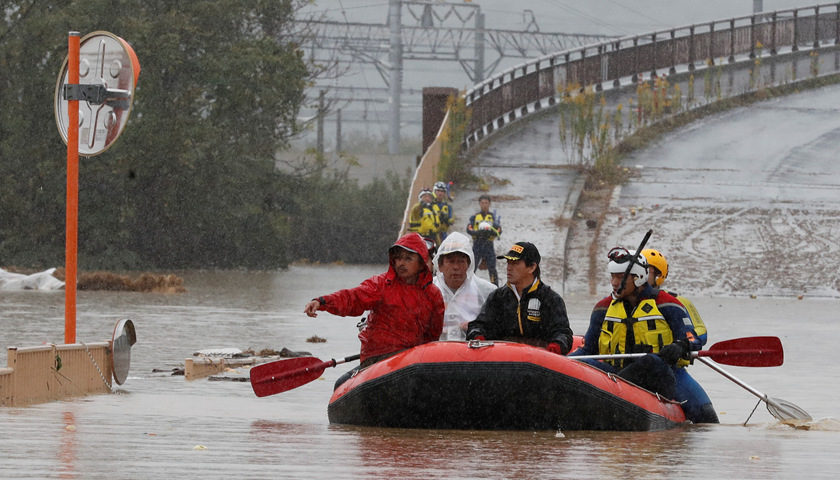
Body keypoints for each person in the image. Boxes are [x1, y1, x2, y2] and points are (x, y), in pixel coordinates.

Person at [304, 232, 445, 388]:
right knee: (340, 384)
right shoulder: (381, 284)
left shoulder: (433, 295)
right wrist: (322, 301)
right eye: (398, 258)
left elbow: (433, 334)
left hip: (410, 360)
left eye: (408, 258)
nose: (401, 263)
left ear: (421, 264)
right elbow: (353, 298)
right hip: (377, 358)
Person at [570, 247, 700, 400]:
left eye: (620, 277)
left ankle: (615, 391)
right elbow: (587, 350)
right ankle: (615, 391)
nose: (614, 283)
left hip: (659, 374)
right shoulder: (603, 308)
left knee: (651, 362)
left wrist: (680, 345)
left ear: (638, 277)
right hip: (614, 374)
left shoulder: (668, 304)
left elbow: (693, 338)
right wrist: (564, 362)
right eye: (612, 277)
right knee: (585, 364)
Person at [641, 248, 719, 423]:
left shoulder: (677, 303)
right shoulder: (620, 304)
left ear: (659, 275)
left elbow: (700, 333)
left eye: (647, 271)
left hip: (672, 369)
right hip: (636, 367)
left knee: (705, 413)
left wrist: (682, 344)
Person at [465, 241, 573, 354]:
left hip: (539, 362)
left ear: (532, 267)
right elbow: (478, 325)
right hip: (502, 359)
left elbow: (563, 333)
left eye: (515, 263)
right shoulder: (497, 297)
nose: (509, 268)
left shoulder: (550, 299)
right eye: (508, 262)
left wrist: (556, 347)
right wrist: (478, 336)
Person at [432, 232, 498, 340]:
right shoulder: (428, 290)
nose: (456, 267)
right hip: (435, 353)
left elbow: (497, 329)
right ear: (440, 266)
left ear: (469, 265)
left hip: (473, 353)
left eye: (461, 261)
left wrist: (477, 328)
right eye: (451, 261)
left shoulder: (488, 292)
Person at [466, 194, 502, 285]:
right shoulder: (474, 217)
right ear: (479, 204)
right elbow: (469, 228)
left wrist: (491, 233)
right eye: (482, 203)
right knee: (472, 267)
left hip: (489, 245)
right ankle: (467, 285)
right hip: (477, 245)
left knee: (492, 268)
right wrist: (477, 233)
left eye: (486, 203)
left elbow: (499, 230)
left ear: (489, 204)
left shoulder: (493, 218)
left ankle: (495, 287)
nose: (484, 205)